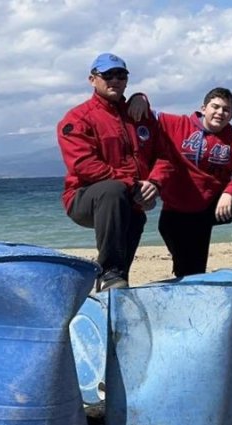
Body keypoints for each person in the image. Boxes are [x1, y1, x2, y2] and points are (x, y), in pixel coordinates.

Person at [57, 52, 173, 290]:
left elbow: (164, 156)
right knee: (113, 190)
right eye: (107, 75)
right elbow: (83, 165)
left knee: (120, 276)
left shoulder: (140, 116)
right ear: (92, 79)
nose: (115, 80)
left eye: (120, 75)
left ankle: (111, 288)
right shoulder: (79, 118)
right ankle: (107, 272)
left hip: (130, 202)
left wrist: (154, 183)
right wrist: (134, 184)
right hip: (85, 197)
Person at [128, 87, 232, 277]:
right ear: (203, 108)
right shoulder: (176, 124)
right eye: (216, 107)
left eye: (226, 110)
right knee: (191, 276)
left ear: (231, 115)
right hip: (178, 212)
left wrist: (230, 192)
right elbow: (144, 114)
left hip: (214, 206)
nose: (220, 112)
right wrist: (140, 97)